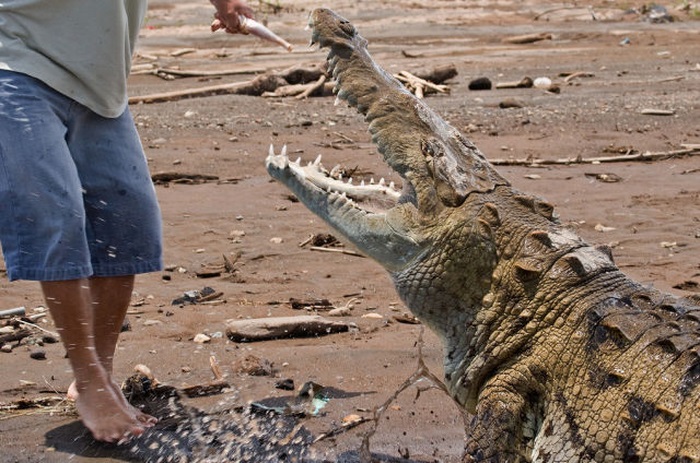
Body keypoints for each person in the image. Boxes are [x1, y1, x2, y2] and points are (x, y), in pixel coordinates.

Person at [0, 0, 252, 444]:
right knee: (56, 217)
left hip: (99, 78)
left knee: (127, 220)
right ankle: (90, 378)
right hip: (14, 60)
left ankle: (100, 370)